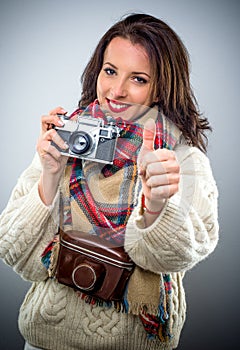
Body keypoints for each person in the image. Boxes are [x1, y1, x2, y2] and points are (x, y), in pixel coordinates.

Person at [0, 13, 219, 350]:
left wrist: (158, 204)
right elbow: (18, 255)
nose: (117, 91)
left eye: (139, 79)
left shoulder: (181, 160)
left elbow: (174, 258)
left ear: (161, 88)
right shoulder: (70, 138)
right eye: (111, 71)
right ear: (97, 71)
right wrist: (49, 173)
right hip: (45, 340)